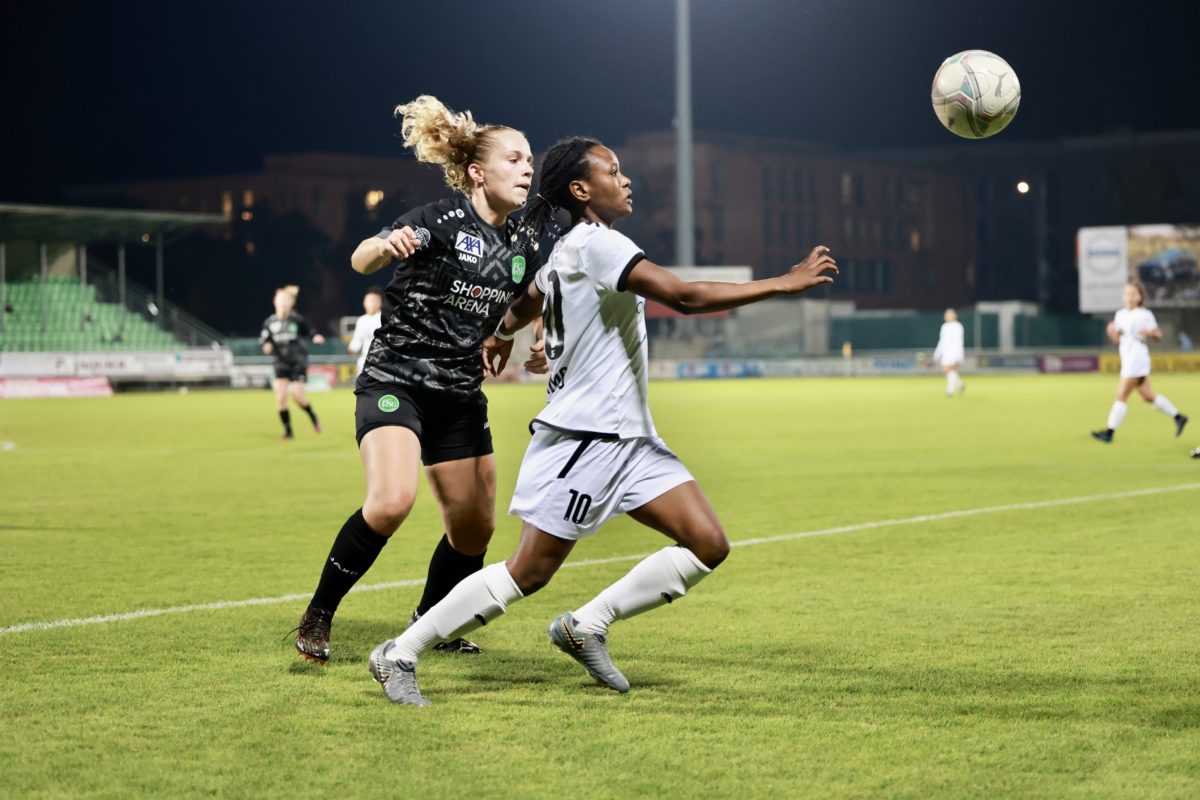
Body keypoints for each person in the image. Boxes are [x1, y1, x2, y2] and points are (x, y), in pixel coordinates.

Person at [366, 137, 838, 706]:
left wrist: (501, 332)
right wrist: (783, 284)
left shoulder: (573, 248)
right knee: (528, 573)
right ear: (582, 189)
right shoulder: (594, 244)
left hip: (631, 439)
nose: (626, 179)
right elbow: (684, 295)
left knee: (707, 544)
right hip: (584, 438)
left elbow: (526, 299)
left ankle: (585, 624)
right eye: (614, 171)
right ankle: (400, 652)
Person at [291, 96, 546, 664]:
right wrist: (386, 246)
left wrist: (514, 333)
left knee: (475, 532)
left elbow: (528, 296)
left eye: (530, 159)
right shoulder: (439, 220)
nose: (527, 167)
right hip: (397, 381)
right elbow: (361, 259)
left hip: (458, 395)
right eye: (514, 159)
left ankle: (430, 625)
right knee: (390, 503)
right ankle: (319, 613)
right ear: (478, 172)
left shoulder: (525, 241)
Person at [1091, 281, 1187, 443]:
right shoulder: (1120, 314)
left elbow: (1158, 335)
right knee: (1147, 396)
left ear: (1140, 297)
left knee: (1121, 395)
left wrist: (1149, 333)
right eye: (1127, 293)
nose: (1129, 297)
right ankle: (1178, 417)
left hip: (1137, 359)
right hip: (1127, 358)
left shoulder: (1144, 314)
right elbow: (1117, 338)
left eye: (1133, 293)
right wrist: (1111, 332)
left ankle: (1109, 433)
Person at [259, 285, 325, 439]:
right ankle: (288, 432)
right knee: (281, 399)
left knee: (298, 397)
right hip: (280, 363)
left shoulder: (296, 319)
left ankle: (312, 415)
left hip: (298, 362)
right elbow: (265, 339)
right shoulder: (269, 322)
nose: (283, 303)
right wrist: (267, 345)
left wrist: (315, 337)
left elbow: (310, 331)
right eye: (280, 300)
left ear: (291, 303)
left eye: (286, 300)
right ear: (274, 301)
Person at [347, 286, 383, 374]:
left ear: (379, 303)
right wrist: (352, 349)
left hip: (381, 362)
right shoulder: (362, 320)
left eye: (374, 301)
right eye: (368, 301)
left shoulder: (383, 319)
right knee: (362, 386)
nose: (371, 303)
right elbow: (358, 339)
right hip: (365, 361)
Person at [932, 308, 965, 397]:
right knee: (948, 372)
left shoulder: (958, 326)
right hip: (946, 354)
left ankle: (950, 390)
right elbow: (942, 342)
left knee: (949, 370)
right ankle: (960, 384)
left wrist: (959, 355)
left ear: (954, 316)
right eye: (946, 315)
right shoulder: (944, 327)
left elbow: (959, 342)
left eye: (949, 314)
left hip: (955, 353)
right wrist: (937, 354)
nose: (947, 316)